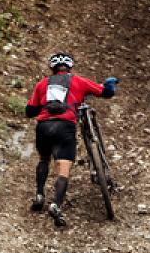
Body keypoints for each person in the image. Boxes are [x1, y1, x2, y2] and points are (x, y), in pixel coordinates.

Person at [25, 53, 117, 228]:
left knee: (44, 159)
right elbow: (107, 92)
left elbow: (29, 111)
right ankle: (56, 205)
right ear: (70, 68)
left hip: (43, 126)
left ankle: (39, 195)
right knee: (63, 168)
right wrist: (110, 81)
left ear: (51, 69)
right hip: (65, 126)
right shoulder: (78, 81)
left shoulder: (42, 84)